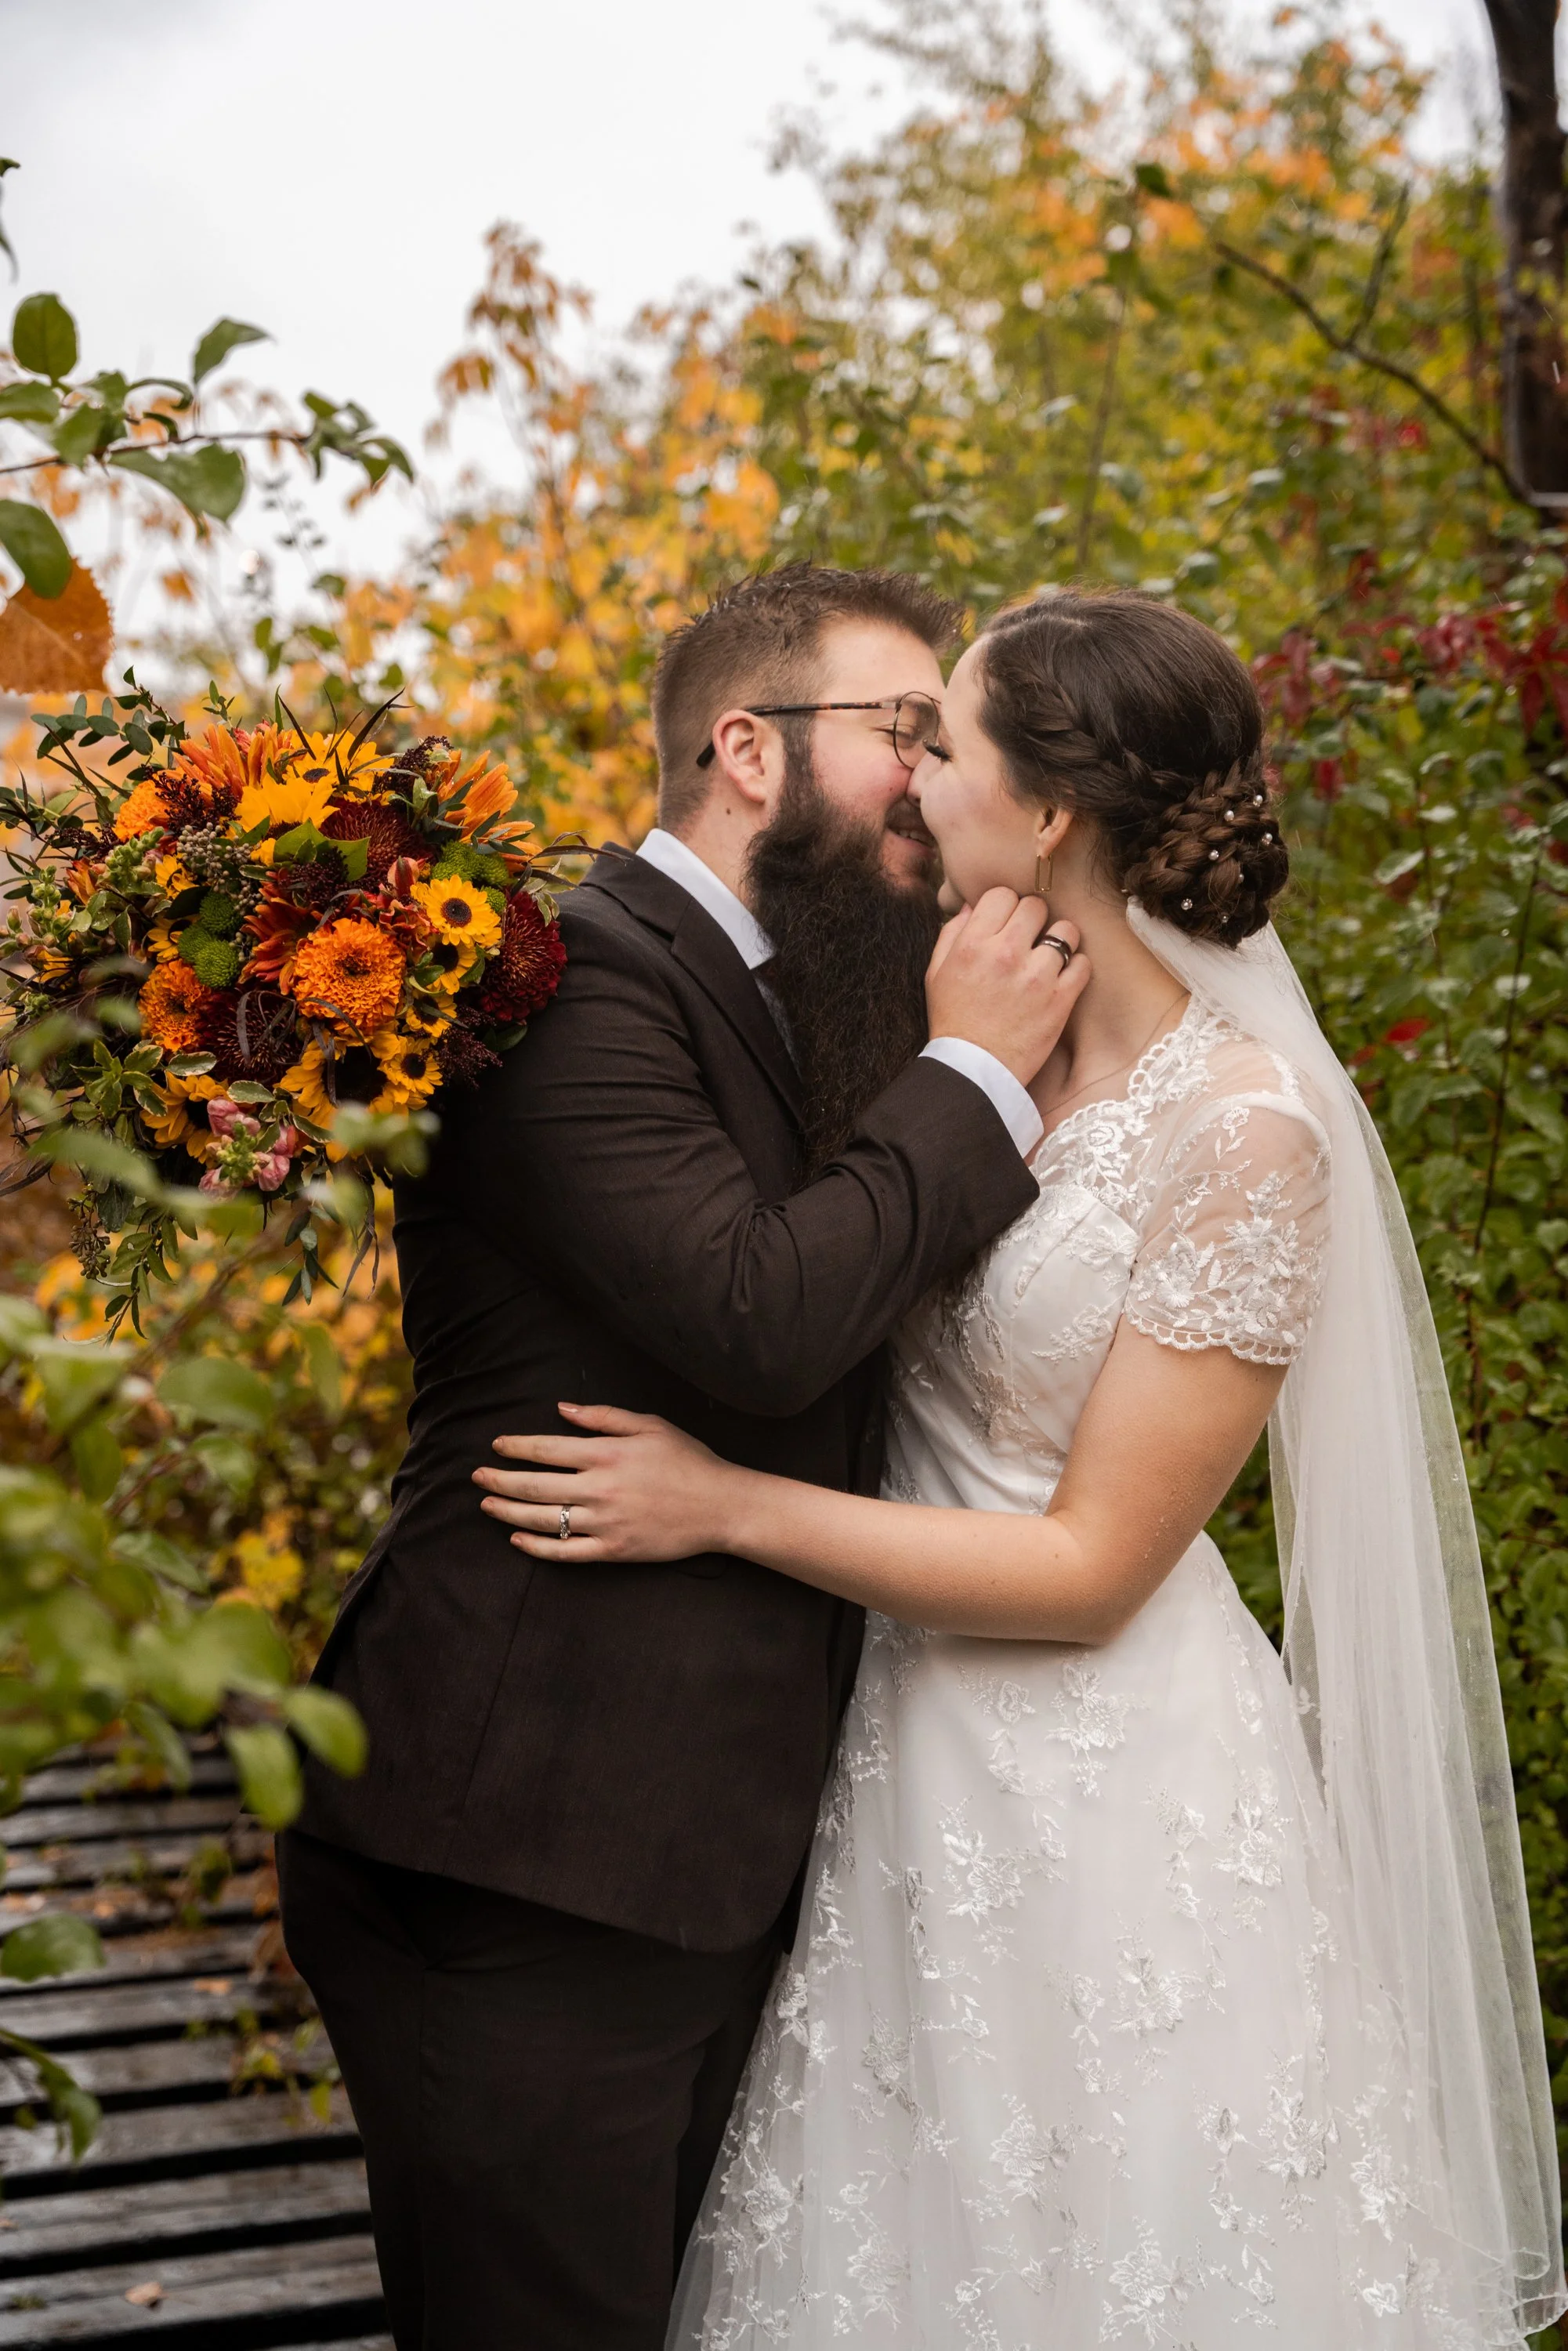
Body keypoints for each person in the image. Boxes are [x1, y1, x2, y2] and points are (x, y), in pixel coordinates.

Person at [474, 590, 1566, 2349]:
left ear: (1045, 814)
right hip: (895, 1759)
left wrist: (718, 1502)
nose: (907, 782)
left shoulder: (1243, 1133)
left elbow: (1091, 1570)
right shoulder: (949, 1034)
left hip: (1109, 1785)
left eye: (941, 744)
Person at [277, 563, 1092, 2350]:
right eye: (906, 732)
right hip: (528, 1855)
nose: (932, 778)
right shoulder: (568, 978)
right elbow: (755, 1315)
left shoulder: (791, 993)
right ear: (746, 751)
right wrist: (970, 1072)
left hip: (698, 1852)